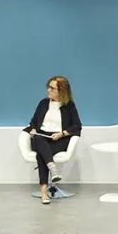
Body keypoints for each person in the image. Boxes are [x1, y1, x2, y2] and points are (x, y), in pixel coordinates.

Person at [23, 75, 82, 204]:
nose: (48, 90)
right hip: (41, 136)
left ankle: (44, 192)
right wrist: (33, 129)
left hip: (58, 138)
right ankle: (52, 169)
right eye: (48, 87)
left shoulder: (69, 106)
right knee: (39, 140)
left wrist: (62, 133)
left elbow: (77, 126)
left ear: (61, 91)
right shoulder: (43, 103)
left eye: (52, 88)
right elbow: (33, 122)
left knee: (41, 154)